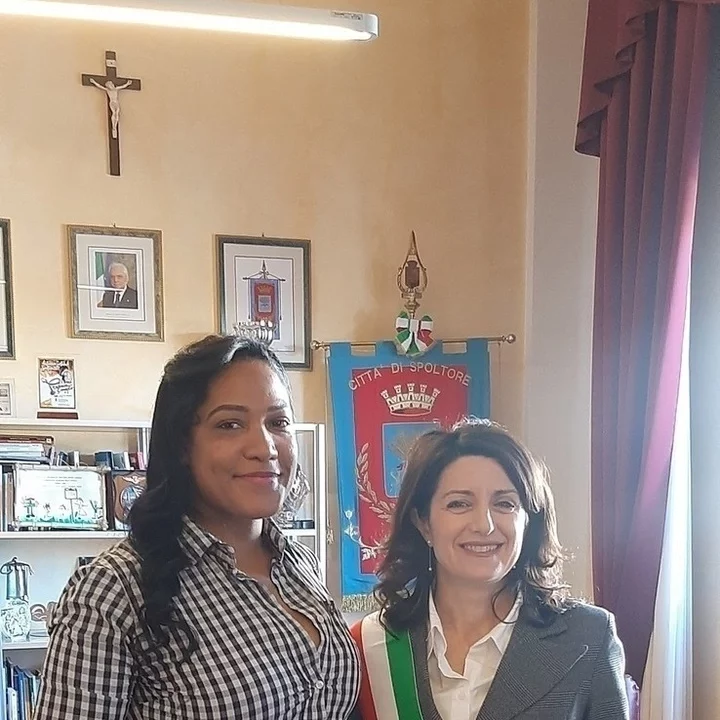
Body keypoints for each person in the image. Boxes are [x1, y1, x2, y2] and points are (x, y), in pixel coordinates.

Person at [35, 335, 360, 719]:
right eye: (230, 424)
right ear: (182, 446)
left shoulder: (300, 564)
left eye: (278, 422)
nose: (265, 447)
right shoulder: (113, 589)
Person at [350, 419, 629, 720]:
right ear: (423, 522)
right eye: (459, 504)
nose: (484, 525)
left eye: (505, 504)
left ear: (528, 520)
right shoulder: (371, 645)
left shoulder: (589, 637)